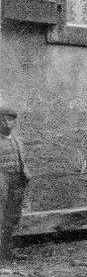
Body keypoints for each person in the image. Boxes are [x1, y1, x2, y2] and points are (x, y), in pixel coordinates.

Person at [0, 107, 28, 262]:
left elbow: (21, 160)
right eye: (2, 120)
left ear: (14, 122)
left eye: (9, 120)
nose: (6, 123)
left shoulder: (17, 140)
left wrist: (24, 176)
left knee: (12, 217)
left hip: (16, 183)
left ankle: (6, 251)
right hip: (1, 184)